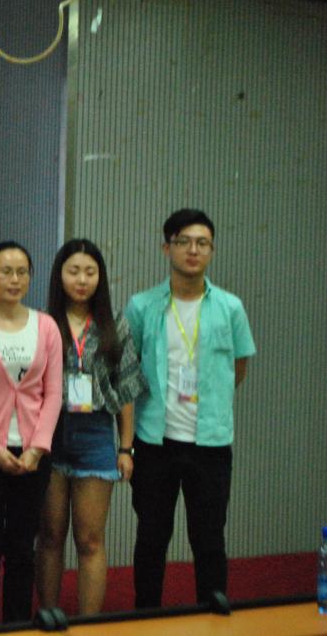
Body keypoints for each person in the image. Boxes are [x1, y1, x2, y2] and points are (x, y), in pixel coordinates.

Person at [125, 209, 255, 608]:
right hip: (155, 441)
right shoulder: (142, 305)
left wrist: (210, 402)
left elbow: (238, 368)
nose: (193, 250)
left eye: (202, 243)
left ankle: (212, 616)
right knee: (151, 536)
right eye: (183, 242)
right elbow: (128, 369)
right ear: (167, 248)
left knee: (209, 538)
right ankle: (146, 618)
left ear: (212, 250)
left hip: (210, 443)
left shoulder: (230, 307)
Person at [35, 239, 147, 615]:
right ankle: (48, 615)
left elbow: (126, 390)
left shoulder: (116, 325)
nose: (82, 280)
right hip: (49, 435)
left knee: (90, 540)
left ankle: (89, 624)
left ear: (100, 277)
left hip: (97, 436)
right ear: (59, 276)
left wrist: (125, 447)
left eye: (90, 272)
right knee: (50, 536)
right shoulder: (43, 323)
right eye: (73, 271)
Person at [0, 241, 62, 625]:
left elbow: (53, 392)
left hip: (33, 455)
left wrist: (37, 448)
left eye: (22, 271)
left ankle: (18, 624)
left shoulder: (46, 326)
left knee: (23, 546)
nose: (14, 279)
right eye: (5, 271)